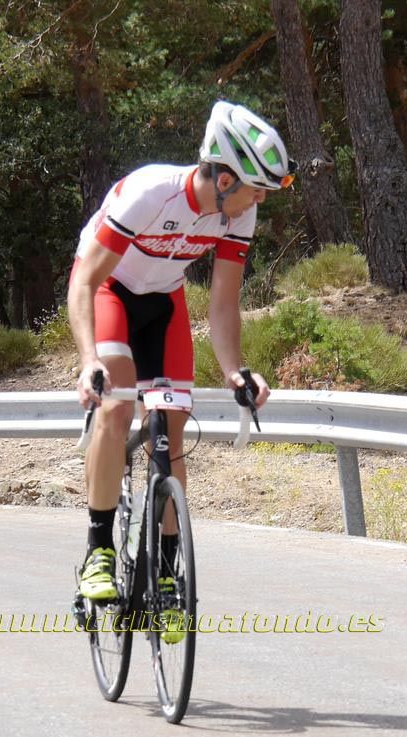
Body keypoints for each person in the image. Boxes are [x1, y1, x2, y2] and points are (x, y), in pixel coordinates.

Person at [68, 100, 288, 603]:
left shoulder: (240, 214)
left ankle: (168, 574)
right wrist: (89, 361)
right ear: (225, 178)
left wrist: (235, 372)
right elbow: (85, 281)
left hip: (164, 302)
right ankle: (99, 550)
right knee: (119, 405)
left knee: (171, 425)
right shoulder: (151, 192)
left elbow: (224, 303)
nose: (261, 200)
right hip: (108, 291)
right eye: (257, 187)